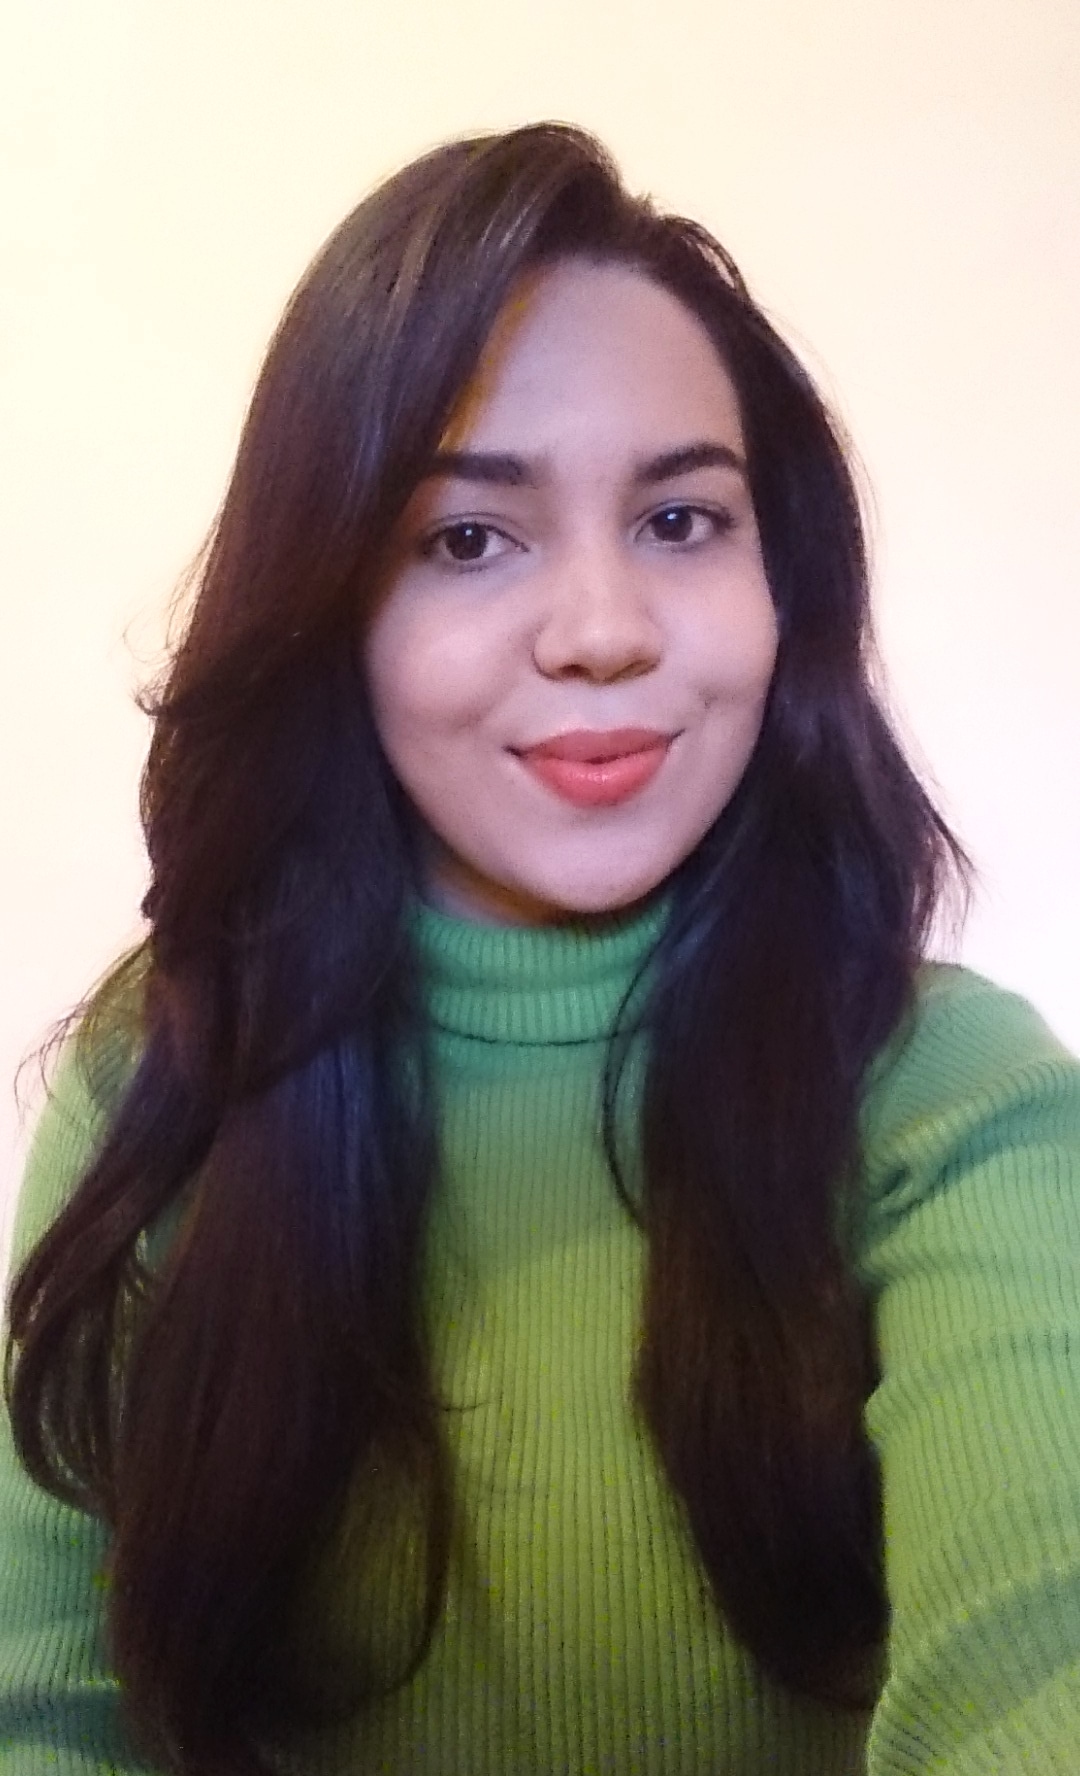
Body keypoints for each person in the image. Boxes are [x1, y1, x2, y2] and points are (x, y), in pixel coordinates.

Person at [2, 121, 1079, 1776]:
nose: (604, 632)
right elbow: (45, 1712)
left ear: (784, 579)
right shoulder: (170, 1065)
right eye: (467, 539)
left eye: (682, 520)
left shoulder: (947, 1093)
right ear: (330, 605)